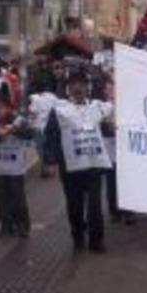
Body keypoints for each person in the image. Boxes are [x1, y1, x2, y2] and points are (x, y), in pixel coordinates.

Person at [44, 70, 113, 253]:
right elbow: (51, 135)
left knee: (95, 205)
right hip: (71, 167)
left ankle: (96, 240)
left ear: (87, 87)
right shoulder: (59, 110)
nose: (78, 87)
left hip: (93, 165)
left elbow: (104, 131)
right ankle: (78, 235)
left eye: (81, 84)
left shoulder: (96, 108)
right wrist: (50, 161)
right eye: (74, 84)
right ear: (69, 88)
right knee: (74, 205)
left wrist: (111, 128)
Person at [0, 96, 34, 238]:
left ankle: (22, 225)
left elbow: (30, 134)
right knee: (2, 198)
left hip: (15, 167)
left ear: (10, 108)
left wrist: (13, 130)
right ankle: (6, 224)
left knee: (18, 197)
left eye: (2, 108)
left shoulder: (18, 121)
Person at [99, 77, 135, 225]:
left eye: (113, 88)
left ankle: (128, 211)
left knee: (127, 183)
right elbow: (101, 129)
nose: (111, 91)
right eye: (108, 89)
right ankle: (114, 211)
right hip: (110, 153)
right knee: (112, 183)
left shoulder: (126, 106)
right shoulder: (101, 107)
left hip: (126, 153)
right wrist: (108, 126)